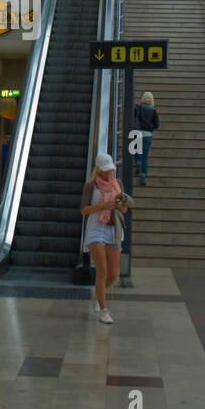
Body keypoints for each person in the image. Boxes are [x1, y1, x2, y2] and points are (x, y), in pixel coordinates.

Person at [79, 152, 132, 324]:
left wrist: (119, 206)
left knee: (114, 274)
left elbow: (124, 211)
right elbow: (83, 210)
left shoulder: (118, 184)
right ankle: (103, 310)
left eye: (111, 169)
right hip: (96, 228)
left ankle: (98, 293)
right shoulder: (90, 185)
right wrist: (102, 206)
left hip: (113, 229)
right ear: (99, 170)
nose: (109, 173)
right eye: (106, 170)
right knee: (101, 271)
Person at [132, 91, 160, 186]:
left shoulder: (139, 108)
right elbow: (157, 125)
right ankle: (143, 177)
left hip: (138, 133)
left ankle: (137, 164)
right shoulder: (153, 110)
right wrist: (150, 127)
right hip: (148, 135)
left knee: (136, 150)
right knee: (145, 157)